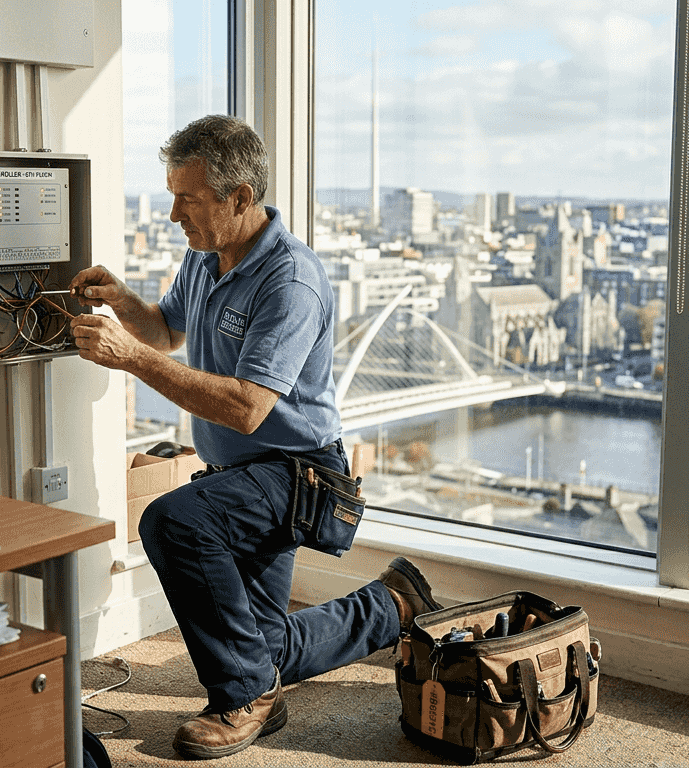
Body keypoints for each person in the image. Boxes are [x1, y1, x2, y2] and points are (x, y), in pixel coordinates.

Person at [68, 114, 442, 760]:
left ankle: (243, 699)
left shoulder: (291, 281)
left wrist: (129, 358)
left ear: (239, 197)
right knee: (260, 648)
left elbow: (246, 409)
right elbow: (167, 333)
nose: (174, 214)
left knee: (172, 522)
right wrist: (126, 304)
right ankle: (393, 604)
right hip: (240, 480)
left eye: (187, 199)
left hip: (297, 476)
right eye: (172, 196)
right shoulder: (205, 258)